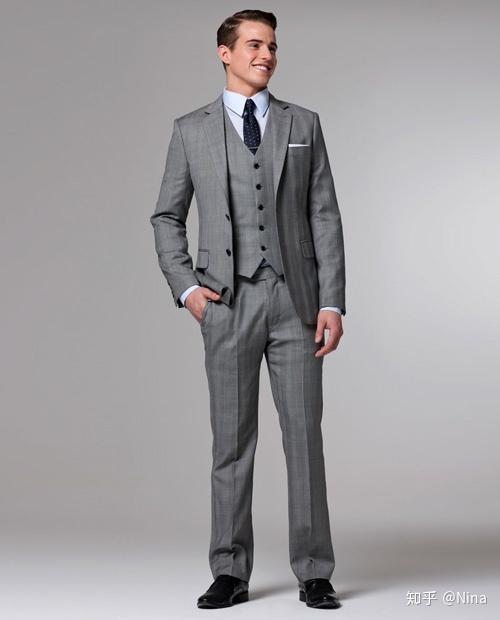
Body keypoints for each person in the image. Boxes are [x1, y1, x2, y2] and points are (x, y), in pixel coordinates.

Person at [150, 9, 346, 610]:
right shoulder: (190, 130)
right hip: (226, 304)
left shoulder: (302, 123)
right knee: (231, 444)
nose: (267, 55)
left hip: (296, 302)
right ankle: (230, 570)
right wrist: (187, 289)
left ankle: (314, 571)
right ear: (225, 52)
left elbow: (324, 214)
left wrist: (331, 301)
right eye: (255, 45)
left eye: (273, 46)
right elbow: (166, 216)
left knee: (303, 439)